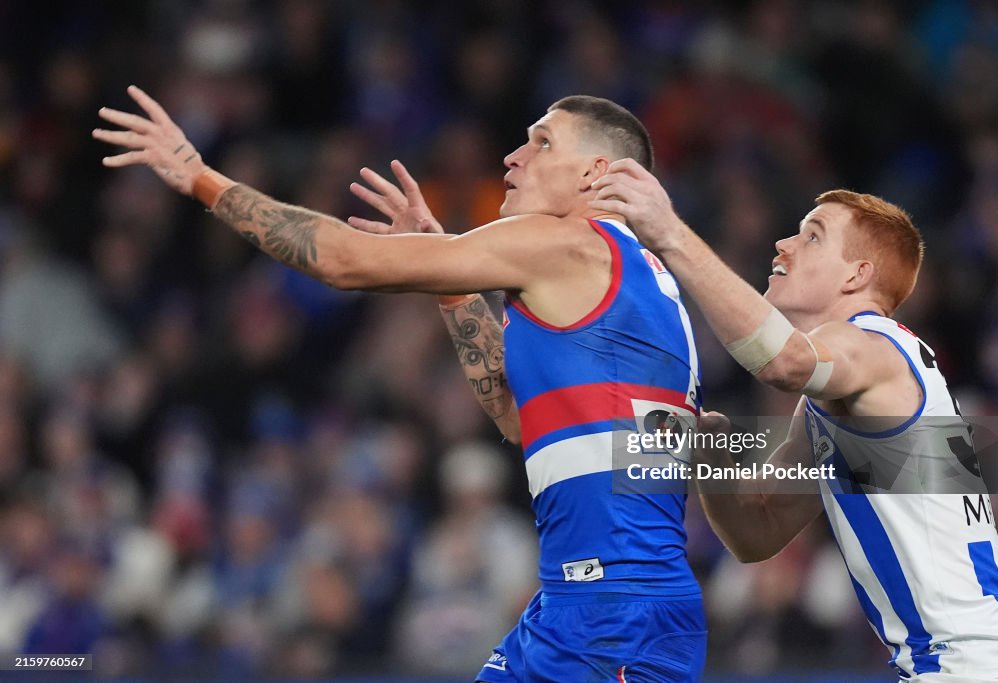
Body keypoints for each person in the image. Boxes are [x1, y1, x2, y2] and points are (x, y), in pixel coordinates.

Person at [94, 86, 707, 681]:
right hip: (591, 604)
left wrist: (202, 178)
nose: (513, 158)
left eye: (541, 143)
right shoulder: (649, 286)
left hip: (610, 614)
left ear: (594, 174)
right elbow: (521, 420)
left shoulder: (568, 240)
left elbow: (342, 260)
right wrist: (453, 280)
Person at [590, 159, 998, 682]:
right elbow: (758, 532)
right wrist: (709, 456)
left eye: (812, 236)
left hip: (973, 668)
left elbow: (783, 363)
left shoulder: (873, 345)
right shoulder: (849, 394)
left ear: (857, 274)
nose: (783, 245)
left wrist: (671, 235)